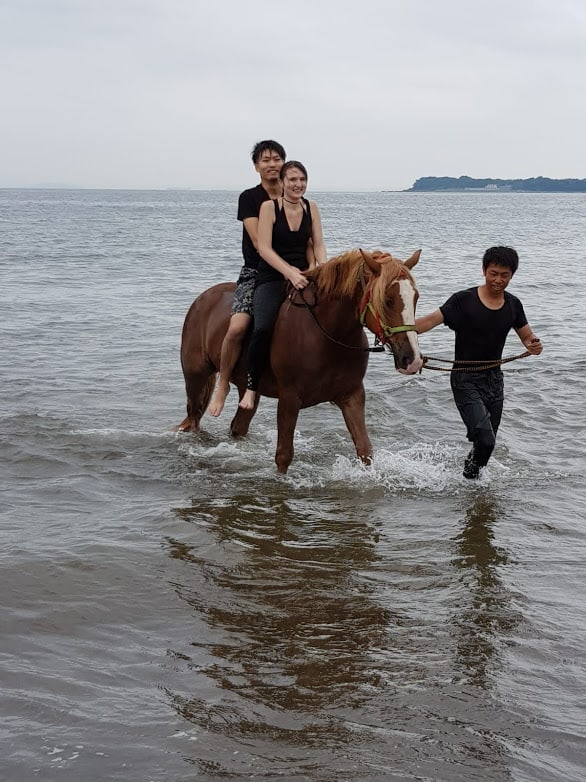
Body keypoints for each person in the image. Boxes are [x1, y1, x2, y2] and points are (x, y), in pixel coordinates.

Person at [415, 246, 543, 479]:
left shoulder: (513, 305)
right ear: (484, 270)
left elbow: (527, 337)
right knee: (485, 438)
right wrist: (396, 333)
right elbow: (428, 322)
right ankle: (469, 482)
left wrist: (534, 345)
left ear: (512, 275)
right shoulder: (463, 301)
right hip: (465, 379)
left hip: (494, 381)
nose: (498, 280)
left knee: (488, 444)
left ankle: (469, 483)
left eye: (505, 275)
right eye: (493, 273)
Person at [239, 160, 327, 411]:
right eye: (292, 180)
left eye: (302, 179)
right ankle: (252, 386)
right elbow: (264, 248)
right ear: (283, 182)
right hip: (273, 276)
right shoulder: (269, 207)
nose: (298, 184)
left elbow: (318, 243)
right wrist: (288, 272)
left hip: (304, 274)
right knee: (263, 326)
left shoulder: (312, 207)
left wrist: (323, 268)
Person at [208, 139, 287, 417]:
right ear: (256, 167)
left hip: (293, 272)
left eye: (276, 159)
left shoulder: (294, 198)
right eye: (265, 160)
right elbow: (257, 241)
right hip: (257, 272)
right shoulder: (250, 198)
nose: (272, 164)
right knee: (238, 326)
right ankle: (223, 382)